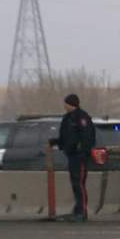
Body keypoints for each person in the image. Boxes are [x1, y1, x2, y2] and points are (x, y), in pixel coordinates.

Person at [50, 93, 95, 222]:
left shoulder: (82, 117)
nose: (64, 106)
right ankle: (77, 209)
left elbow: (87, 136)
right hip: (71, 155)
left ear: (72, 104)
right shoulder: (67, 118)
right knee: (75, 183)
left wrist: (82, 150)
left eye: (66, 103)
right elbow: (65, 137)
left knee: (79, 183)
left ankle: (82, 211)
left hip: (79, 156)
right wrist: (55, 142)